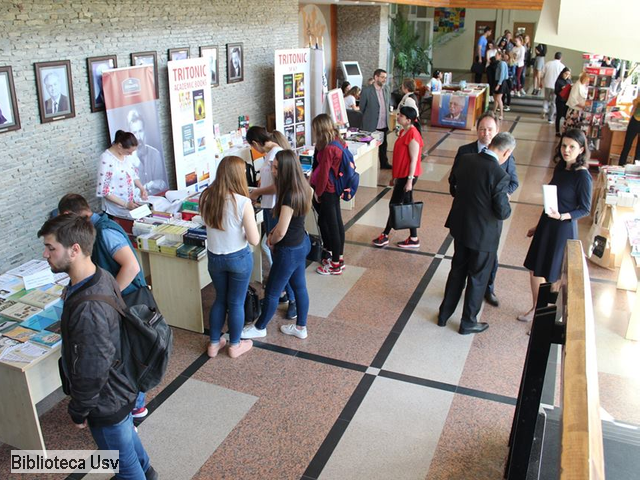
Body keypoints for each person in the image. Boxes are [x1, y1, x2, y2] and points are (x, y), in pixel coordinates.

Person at [38, 213, 157, 480]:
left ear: (75, 250)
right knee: (127, 441)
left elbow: (92, 368)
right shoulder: (100, 275)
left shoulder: (87, 308)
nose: (45, 254)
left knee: (123, 466)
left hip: (105, 400)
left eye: (51, 247)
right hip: (121, 387)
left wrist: (79, 410)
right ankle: (147, 471)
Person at [57, 193, 149, 419]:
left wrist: (106, 298)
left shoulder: (106, 232)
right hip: (115, 301)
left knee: (126, 355)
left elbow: (131, 267)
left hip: (126, 301)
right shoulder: (90, 232)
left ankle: (136, 407)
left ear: (69, 215)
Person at [438, 133, 514, 335]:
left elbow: (453, 186)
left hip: (461, 227)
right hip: (484, 236)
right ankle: (468, 322)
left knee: (457, 272)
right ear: (506, 152)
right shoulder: (500, 175)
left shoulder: (465, 159)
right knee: (478, 278)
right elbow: (502, 212)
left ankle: (444, 314)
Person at [519, 129, 592, 322]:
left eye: (571, 147)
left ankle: (546, 317)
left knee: (553, 274)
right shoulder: (560, 168)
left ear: (581, 149)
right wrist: (538, 225)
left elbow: (584, 209)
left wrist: (562, 216)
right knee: (535, 268)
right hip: (547, 223)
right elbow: (552, 199)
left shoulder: (582, 176)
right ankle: (536, 308)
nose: (566, 150)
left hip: (563, 228)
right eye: (564, 146)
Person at [450, 112, 519, 307]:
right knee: (461, 261)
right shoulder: (465, 152)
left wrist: (504, 196)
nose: (485, 133)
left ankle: (488, 289)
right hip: (466, 218)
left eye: (490, 129)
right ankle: (464, 298)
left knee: (487, 262)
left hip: (488, 222)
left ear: (496, 132)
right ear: (477, 130)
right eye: (482, 129)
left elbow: (513, 181)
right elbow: (453, 181)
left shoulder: (506, 155)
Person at [242, 150, 312, 340]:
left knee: (272, 290)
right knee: (300, 288)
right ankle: (300, 327)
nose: (272, 171)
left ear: (285, 170)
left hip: (288, 250)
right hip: (301, 243)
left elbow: (281, 230)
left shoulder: (289, 195)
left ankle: (260, 327)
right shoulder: (304, 186)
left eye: (275, 168)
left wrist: (270, 241)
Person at [199, 156, 260, 358]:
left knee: (220, 300)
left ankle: (214, 344)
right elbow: (254, 239)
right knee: (236, 302)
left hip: (215, 258)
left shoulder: (206, 197)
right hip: (238, 258)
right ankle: (235, 345)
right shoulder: (242, 202)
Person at [246, 126, 297, 319]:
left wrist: (257, 193)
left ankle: (292, 299)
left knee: (280, 257)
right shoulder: (272, 154)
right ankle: (283, 293)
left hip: (274, 209)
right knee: (275, 254)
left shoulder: (276, 155)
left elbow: (277, 187)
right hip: (269, 207)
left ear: (255, 144)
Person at [372, 107, 423, 249]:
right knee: (407, 204)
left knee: (395, 204)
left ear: (408, 120)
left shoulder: (413, 135)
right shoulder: (403, 132)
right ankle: (413, 238)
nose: (398, 116)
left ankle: (385, 235)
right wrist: (394, 176)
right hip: (401, 175)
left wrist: (409, 181)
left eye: (401, 115)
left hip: (408, 175)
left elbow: (414, 159)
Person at [310, 114, 346, 275]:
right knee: (335, 222)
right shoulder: (336, 142)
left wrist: (318, 193)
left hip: (328, 190)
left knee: (333, 225)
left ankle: (336, 264)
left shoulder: (329, 149)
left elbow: (324, 173)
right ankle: (337, 257)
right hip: (334, 189)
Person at [96, 130, 149, 218]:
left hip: (130, 205)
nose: (131, 154)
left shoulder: (125, 156)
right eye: (129, 152)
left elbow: (133, 175)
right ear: (120, 146)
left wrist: (142, 188)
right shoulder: (106, 160)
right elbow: (104, 191)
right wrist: (125, 204)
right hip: (115, 210)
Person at [128, 110, 168, 195]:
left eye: (140, 131)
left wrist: (156, 184)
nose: (138, 137)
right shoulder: (127, 160)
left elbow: (160, 185)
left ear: (145, 131)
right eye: (135, 132)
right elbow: (130, 193)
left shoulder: (155, 154)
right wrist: (149, 185)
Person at [359, 69, 391, 169]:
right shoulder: (367, 91)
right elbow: (362, 108)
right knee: (371, 147)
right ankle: (369, 166)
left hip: (383, 123)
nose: (384, 80)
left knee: (383, 145)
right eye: (382, 77)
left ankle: (384, 163)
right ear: (376, 77)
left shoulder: (386, 89)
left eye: (385, 78)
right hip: (371, 124)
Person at [542, 52, 565, 123]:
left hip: (547, 84)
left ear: (554, 56)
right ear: (561, 58)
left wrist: (541, 82)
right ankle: (550, 118)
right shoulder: (562, 66)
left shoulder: (548, 63)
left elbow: (542, 73)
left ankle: (544, 109)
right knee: (553, 102)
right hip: (556, 87)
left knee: (546, 99)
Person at [618, 91, 640, 166]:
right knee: (636, 149)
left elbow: (634, 106)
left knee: (627, 145)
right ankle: (635, 168)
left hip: (635, 121)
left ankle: (621, 165)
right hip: (635, 120)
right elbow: (634, 106)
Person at [554, 67, 572, 137]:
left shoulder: (569, 81)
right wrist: (561, 89)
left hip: (566, 101)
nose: (567, 76)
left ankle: (564, 130)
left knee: (565, 116)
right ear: (562, 73)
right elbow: (556, 91)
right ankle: (557, 131)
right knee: (559, 115)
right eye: (566, 74)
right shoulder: (558, 81)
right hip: (560, 100)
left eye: (568, 74)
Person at [491, 52, 506, 119]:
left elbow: (502, 74)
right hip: (497, 81)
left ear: (500, 55)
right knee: (495, 97)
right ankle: (494, 111)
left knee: (498, 98)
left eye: (496, 55)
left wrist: (499, 84)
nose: (495, 56)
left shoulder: (502, 63)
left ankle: (501, 114)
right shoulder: (500, 63)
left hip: (500, 82)